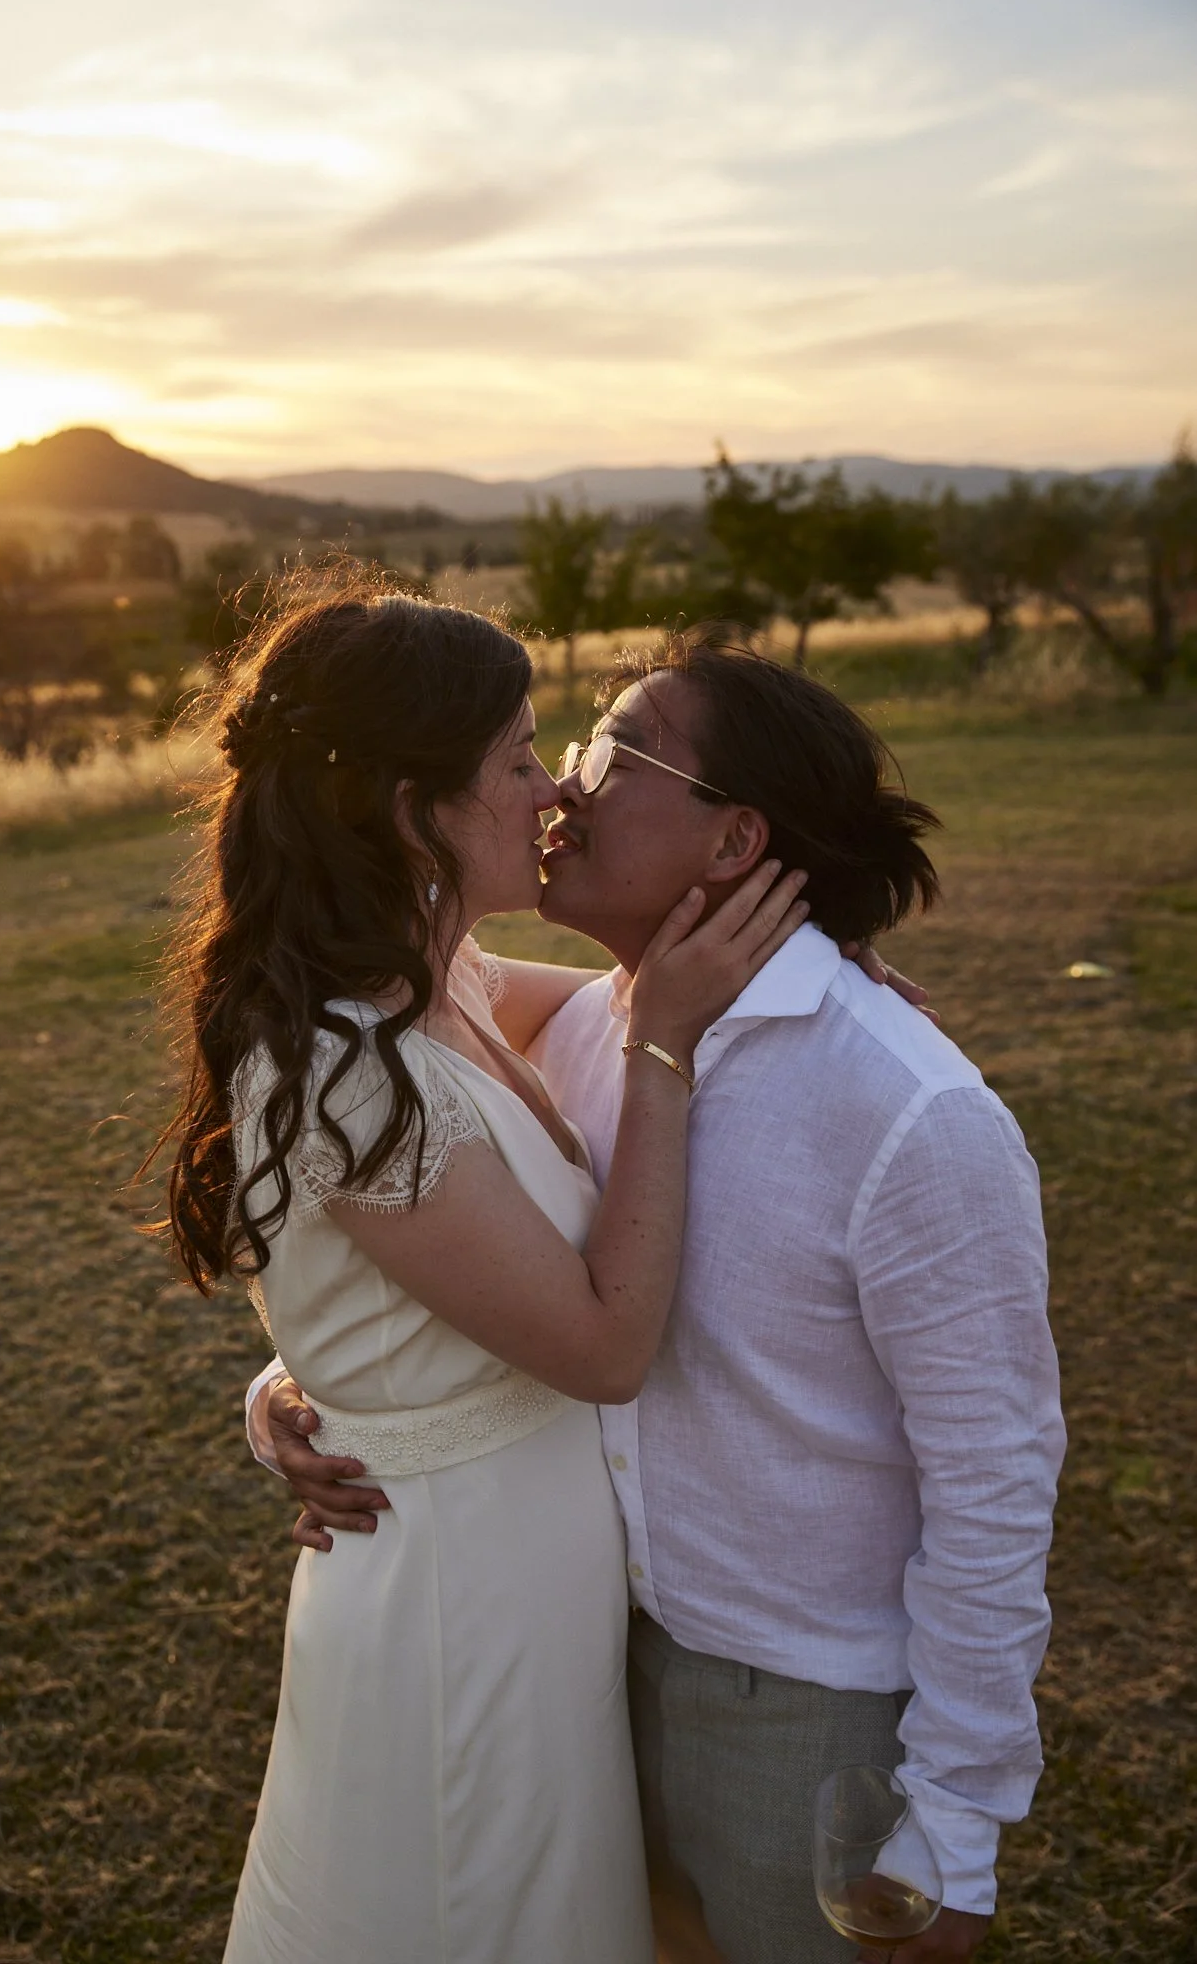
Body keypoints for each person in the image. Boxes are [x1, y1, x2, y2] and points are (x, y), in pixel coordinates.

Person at [258, 635, 1066, 1964]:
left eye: (607, 753)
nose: (562, 788)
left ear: (733, 844)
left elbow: (994, 1478)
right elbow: (462, 1257)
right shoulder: (597, 1031)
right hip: (579, 1669)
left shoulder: (910, 1113)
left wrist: (956, 1823)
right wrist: (311, 1388)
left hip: (799, 1717)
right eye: (551, 751)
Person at [157, 579, 811, 1964]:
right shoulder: (340, 1064)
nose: (555, 791)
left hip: (519, 1560)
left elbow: (589, 996)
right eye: (516, 759)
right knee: (470, 1902)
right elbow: (601, 1346)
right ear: (410, 810)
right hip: (460, 1589)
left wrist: (818, 969)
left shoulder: (429, 975)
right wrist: (667, 1054)